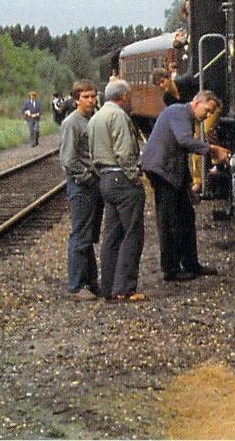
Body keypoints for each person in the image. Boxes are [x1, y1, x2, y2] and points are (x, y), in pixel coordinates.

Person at [142, 90, 230, 282]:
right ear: (198, 102)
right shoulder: (179, 112)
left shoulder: (183, 115)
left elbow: (181, 151)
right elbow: (184, 141)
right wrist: (212, 149)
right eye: (208, 110)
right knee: (169, 220)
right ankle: (171, 269)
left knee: (186, 216)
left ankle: (191, 263)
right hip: (162, 170)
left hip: (171, 170)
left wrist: (187, 183)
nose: (207, 116)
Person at [87, 79, 147, 302]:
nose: (130, 100)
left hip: (105, 179)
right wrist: (135, 178)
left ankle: (108, 287)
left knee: (111, 236)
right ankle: (125, 288)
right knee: (132, 234)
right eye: (129, 97)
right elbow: (124, 152)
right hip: (122, 179)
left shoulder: (95, 118)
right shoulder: (119, 116)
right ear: (122, 97)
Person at [59, 80, 102, 300]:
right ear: (76, 99)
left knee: (89, 235)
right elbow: (68, 160)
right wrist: (87, 178)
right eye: (86, 97)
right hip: (81, 186)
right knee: (80, 235)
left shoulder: (92, 119)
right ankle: (77, 286)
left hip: (92, 184)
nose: (91, 100)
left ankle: (91, 282)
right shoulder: (71, 123)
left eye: (93, 96)